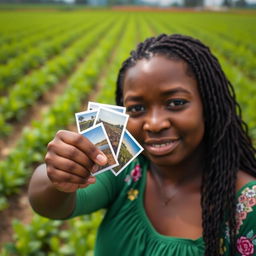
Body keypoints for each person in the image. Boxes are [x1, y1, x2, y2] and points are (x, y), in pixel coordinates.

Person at [28, 34, 256, 256]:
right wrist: (56, 177)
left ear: (209, 105)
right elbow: (52, 206)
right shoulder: (125, 166)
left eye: (176, 103)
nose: (155, 124)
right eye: (137, 108)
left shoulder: (248, 207)